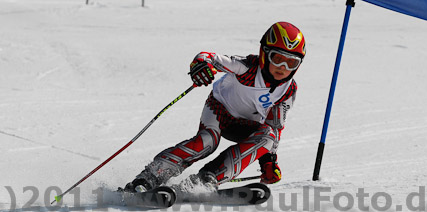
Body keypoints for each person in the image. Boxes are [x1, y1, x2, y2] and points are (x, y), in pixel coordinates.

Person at [124, 21, 306, 193]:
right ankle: (148, 178)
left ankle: (207, 179)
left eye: (291, 62)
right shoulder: (247, 67)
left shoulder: (288, 89)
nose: (282, 67)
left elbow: (275, 125)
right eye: (277, 58)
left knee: (269, 137)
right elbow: (208, 57)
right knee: (207, 142)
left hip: (247, 126)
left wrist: (268, 162)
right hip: (219, 112)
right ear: (264, 53)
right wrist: (201, 66)